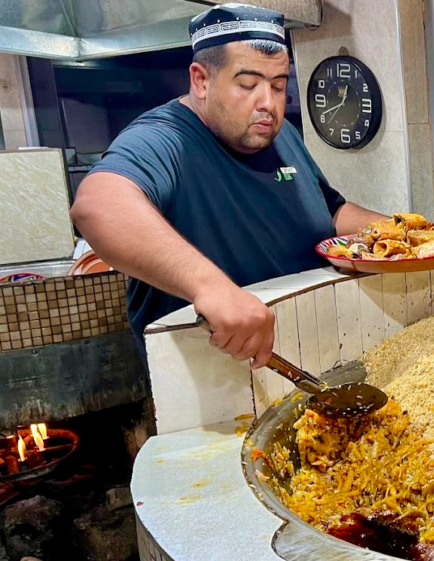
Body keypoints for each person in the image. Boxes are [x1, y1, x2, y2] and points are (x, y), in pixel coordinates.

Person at [71, 4, 386, 368]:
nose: (268, 103)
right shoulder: (164, 137)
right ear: (201, 80)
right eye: (248, 85)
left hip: (307, 354)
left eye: (279, 85)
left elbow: (332, 212)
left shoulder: (280, 135)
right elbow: (98, 206)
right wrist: (210, 286)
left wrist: (409, 234)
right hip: (214, 376)